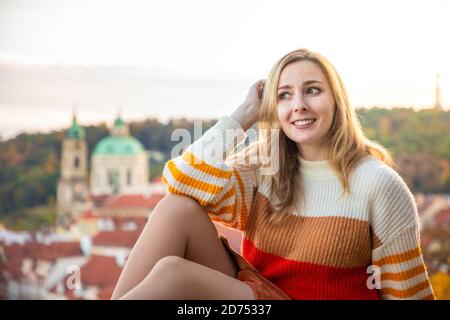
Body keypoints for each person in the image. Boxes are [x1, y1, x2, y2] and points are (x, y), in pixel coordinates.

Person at [111, 48, 435, 300]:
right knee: (175, 209)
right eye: (284, 95)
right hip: (259, 292)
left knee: (173, 275)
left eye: (312, 90)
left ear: (337, 101)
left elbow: (408, 291)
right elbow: (179, 181)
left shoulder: (378, 185)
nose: (298, 105)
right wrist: (245, 114)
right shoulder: (265, 170)